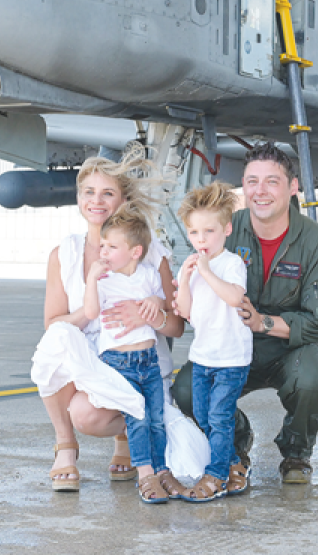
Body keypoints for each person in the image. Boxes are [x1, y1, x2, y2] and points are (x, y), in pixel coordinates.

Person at [172, 143, 318, 488]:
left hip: (286, 348)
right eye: (252, 182)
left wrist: (263, 321)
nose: (259, 192)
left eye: (271, 182)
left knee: (312, 381)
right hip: (228, 348)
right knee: (187, 391)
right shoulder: (221, 229)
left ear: (293, 187)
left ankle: (296, 453)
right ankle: (235, 444)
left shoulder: (315, 243)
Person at [30, 154, 201, 496]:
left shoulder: (150, 252)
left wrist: (149, 313)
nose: (96, 200)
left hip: (139, 363)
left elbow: (177, 327)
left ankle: (129, 437)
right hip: (92, 363)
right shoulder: (63, 253)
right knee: (58, 342)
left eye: (107, 193)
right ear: (78, 198)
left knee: (100, 411)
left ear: (123, 200)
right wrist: (88, 312)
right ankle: (65, 446)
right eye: (88, 191)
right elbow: (53, 323)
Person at [83, 207, 176, 503]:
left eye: (112, 246)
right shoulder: (105, 281)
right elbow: (91, 313)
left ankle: (163, 471)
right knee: (138, 419)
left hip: (148, 361)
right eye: (103, 245)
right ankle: (146, 474)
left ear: (135, 251)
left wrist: (154, 300)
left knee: (157, 419)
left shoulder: (148, 275)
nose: (104, 251)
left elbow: (166, 303)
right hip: (119, 363)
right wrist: (91, 280)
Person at [173, 183, 250, 502]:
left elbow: (235, 297)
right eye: (194, 233)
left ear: (227, 229)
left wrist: (206, 272)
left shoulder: (231, 263)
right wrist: (185, 279)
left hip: (231, 359)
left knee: (219, 417)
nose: (201, 239)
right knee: (204, 416)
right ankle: (234, 464)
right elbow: (188, 313)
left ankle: (216, 475)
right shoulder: (195, 267)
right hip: (203, 357)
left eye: (209, 231)